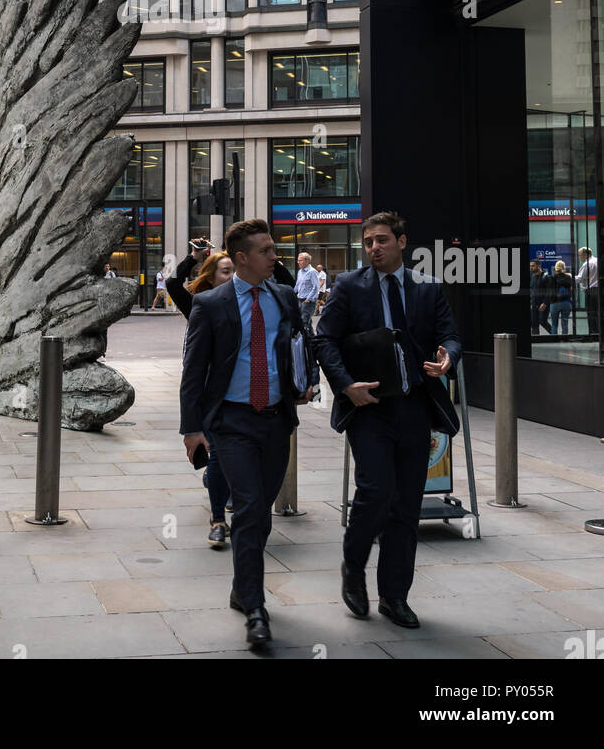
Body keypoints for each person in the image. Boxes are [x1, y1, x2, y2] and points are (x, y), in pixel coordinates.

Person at [315, 210, 461, 631]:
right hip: (369, 406)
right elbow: (324, 339)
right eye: (368, 243)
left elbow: (448, 334)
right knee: (375, 490)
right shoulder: (348, 287)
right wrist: (346, 386)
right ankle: (353, 565)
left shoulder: (427, 288)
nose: (374, 248)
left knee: (406, 506)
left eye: (381, 240)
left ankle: (395, 596)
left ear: (401, 241)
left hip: (415, 405)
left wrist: (448, 355)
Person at [180, 218, 314, 649]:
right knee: (252, 506)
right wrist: (191, 428)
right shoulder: (212, 304)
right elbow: (194, 370)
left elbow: (300, 343)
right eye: (266, 251)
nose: (275, 256)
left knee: (261, 514)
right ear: (242, 258)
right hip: (231, 422)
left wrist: (303, 381)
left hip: (276, 420)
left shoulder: (284, 296)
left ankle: (242, 588)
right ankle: (256, 608)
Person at [166, 240, 234, 549]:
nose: (232, 277)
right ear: (210, 277)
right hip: (210, 392)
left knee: (227, 459)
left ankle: (218, 485)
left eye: (235, 270)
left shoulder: (250, 299)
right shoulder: (197, 303)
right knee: (218, 454)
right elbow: (171, 282)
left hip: (242, 392)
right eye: (225, 271)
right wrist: (191, 258)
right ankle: (218, 518)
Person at [550, 260, 573, 335]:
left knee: (554, 324)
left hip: (555, 303)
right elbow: (571, 289)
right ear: (564, 267)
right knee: (565, 323)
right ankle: (564, 339)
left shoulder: (552, 278)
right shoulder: (568, 277)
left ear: (556, 268)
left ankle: (554, 340)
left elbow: (550, 291)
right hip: (566, 302)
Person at [529, 259, 553, 335]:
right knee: (533, 323)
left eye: (533, 266)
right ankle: (535, 339)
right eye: (530, 266)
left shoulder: (546, 277)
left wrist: (545, 303)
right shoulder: (532, 276)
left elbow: (549, 291)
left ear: (539, 266)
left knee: (542, 321)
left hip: (543, 304)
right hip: (533, 303)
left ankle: (555, 335)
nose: (531, 267)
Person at [577, 247, 597, 315]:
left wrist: (568, 277)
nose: (579, 257)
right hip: (599, 291)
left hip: (591, 292)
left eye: (579, 255)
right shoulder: (597, 261)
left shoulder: (587, 263)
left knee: (591, 316)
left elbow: (580, 278)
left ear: (585, 254)